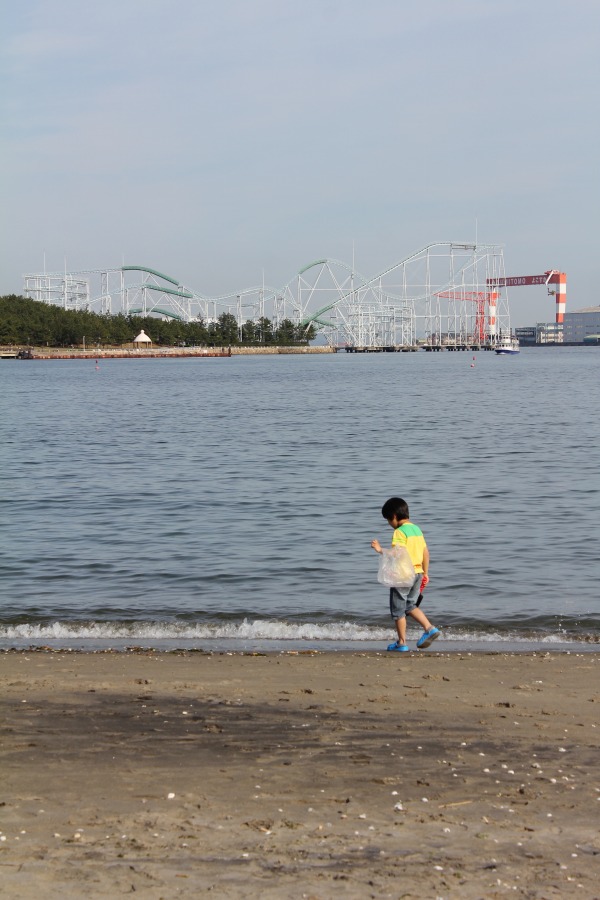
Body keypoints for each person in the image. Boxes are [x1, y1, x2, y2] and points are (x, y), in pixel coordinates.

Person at [371, 497, 440, 652]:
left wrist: (380, 550)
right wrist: (426, 573)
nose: (389, 524)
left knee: (398, 610)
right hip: (418, 573)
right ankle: (429, 628)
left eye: (388, 520)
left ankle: (402, 642)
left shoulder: (399, 532)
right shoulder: (417, 529)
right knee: (410, 606)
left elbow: (397, 553)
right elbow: (426, 553)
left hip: (403, 576)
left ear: (394, 516)